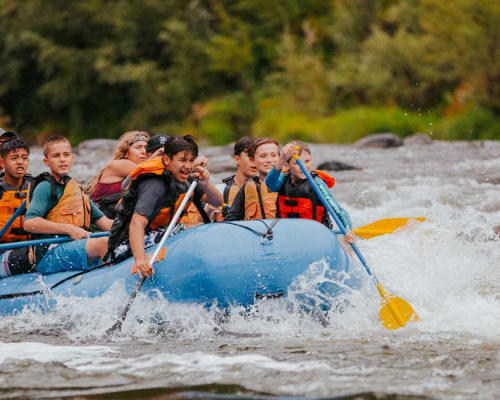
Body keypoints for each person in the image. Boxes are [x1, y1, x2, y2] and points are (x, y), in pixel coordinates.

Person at [106, 135, 223, 278]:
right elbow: (137, 223)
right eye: (182, 160)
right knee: (195, 228)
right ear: (167, 160)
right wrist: (141, 260)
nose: (188, 166)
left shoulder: (186, 179)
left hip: (158, 232)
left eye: (191, 160)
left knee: (204, 226)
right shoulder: (155, 184)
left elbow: (217, 202)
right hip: (126, 245)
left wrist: (205, 183)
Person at [21, 135, 113, 277]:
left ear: (72, 158)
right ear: (46, 161)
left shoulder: (78, 190)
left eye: (66, 155)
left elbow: (107, 224)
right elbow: (29, 223)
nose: (62, 159)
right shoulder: (45, 187)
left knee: (118, 241)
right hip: (50, 254)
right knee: (102, 244)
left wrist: (138, 226)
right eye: (56, 156)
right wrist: (69, 229)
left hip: (76, 246)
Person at [265, 140, 355, 242]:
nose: (304, 166)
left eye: (307, 161)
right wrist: (282, 158)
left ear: (312, 160)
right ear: (287, 165)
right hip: (288, 236)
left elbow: (339, 211)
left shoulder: (317, 184)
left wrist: (348, 230)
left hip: (316, 238)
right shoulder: (283, 180)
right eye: (297, 163)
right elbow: (270, 184)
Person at [85, 131, 150, 219]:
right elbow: (150, 171)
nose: (144, 151)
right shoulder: (118, 165)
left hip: (116, 219)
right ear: (126, 154)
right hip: (97, 221)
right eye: (138, 147)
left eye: (147, 148)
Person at [224, 138, 280, 221]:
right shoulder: (247, 187)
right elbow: (232, 218)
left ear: (280, 159)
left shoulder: (289, 183)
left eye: (274, 155)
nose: (269, 160)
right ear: (252, 161)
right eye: (263, 156)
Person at [0, 138, 32, 244]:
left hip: (31, 245)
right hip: (3, 248)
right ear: (2, 163)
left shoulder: (36, 187)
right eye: (14, 158)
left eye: (24, 158)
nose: (20, 162)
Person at [216, 136, 256, 218]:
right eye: (250, 156)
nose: (254, 161)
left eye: (258, 156)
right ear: (237, 159)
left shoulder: (267, 189)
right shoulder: (219, 191)